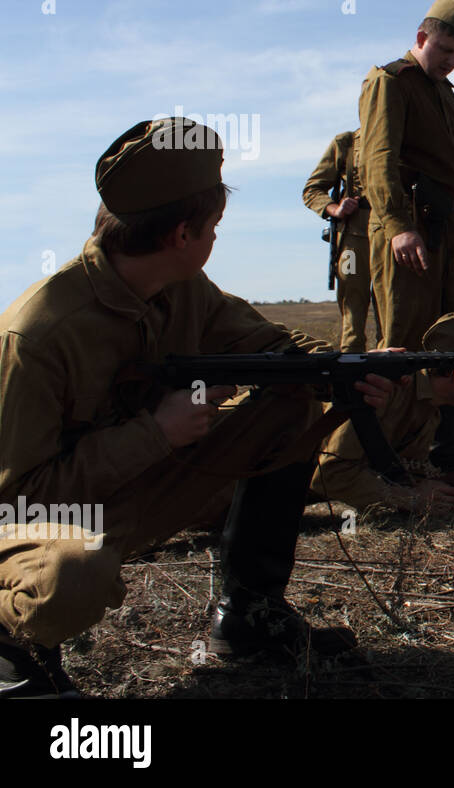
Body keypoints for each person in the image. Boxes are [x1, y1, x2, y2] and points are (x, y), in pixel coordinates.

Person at [0, 118, 397, 698]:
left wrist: (350, 372)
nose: (216, 239)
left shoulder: (183, 289)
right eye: (213, 227)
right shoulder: (38, 335)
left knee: (293, 400)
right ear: (181, 235)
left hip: (128, 493)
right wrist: (155, 433)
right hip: (31, 525)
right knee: (73, 575)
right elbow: (17, 500)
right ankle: (11, 645)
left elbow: (275, 348)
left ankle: (249, 612)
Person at [357, 0, 454, 467]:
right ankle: (387, 459)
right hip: (408, 229)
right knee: (404, 346)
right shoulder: (389, 82)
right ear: (421, 39)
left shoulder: (445, 93)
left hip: (446, 228)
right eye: (443, 51)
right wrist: (397, 226)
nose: (450, 62)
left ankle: (441, 451)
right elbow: (376, 160)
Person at [311, 313, 454, 514]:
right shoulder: (382, 389)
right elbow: (329, 476)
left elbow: (410, 478)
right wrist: (410, 499)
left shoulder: (429, 407)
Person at [302, 128, 373, 351]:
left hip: (394, 237)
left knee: (393, 310)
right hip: (353, 239)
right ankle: (351, 369)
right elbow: (312, 189)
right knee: (352, 306)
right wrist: (334, 209)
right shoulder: (347, 142)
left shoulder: (404, 137)